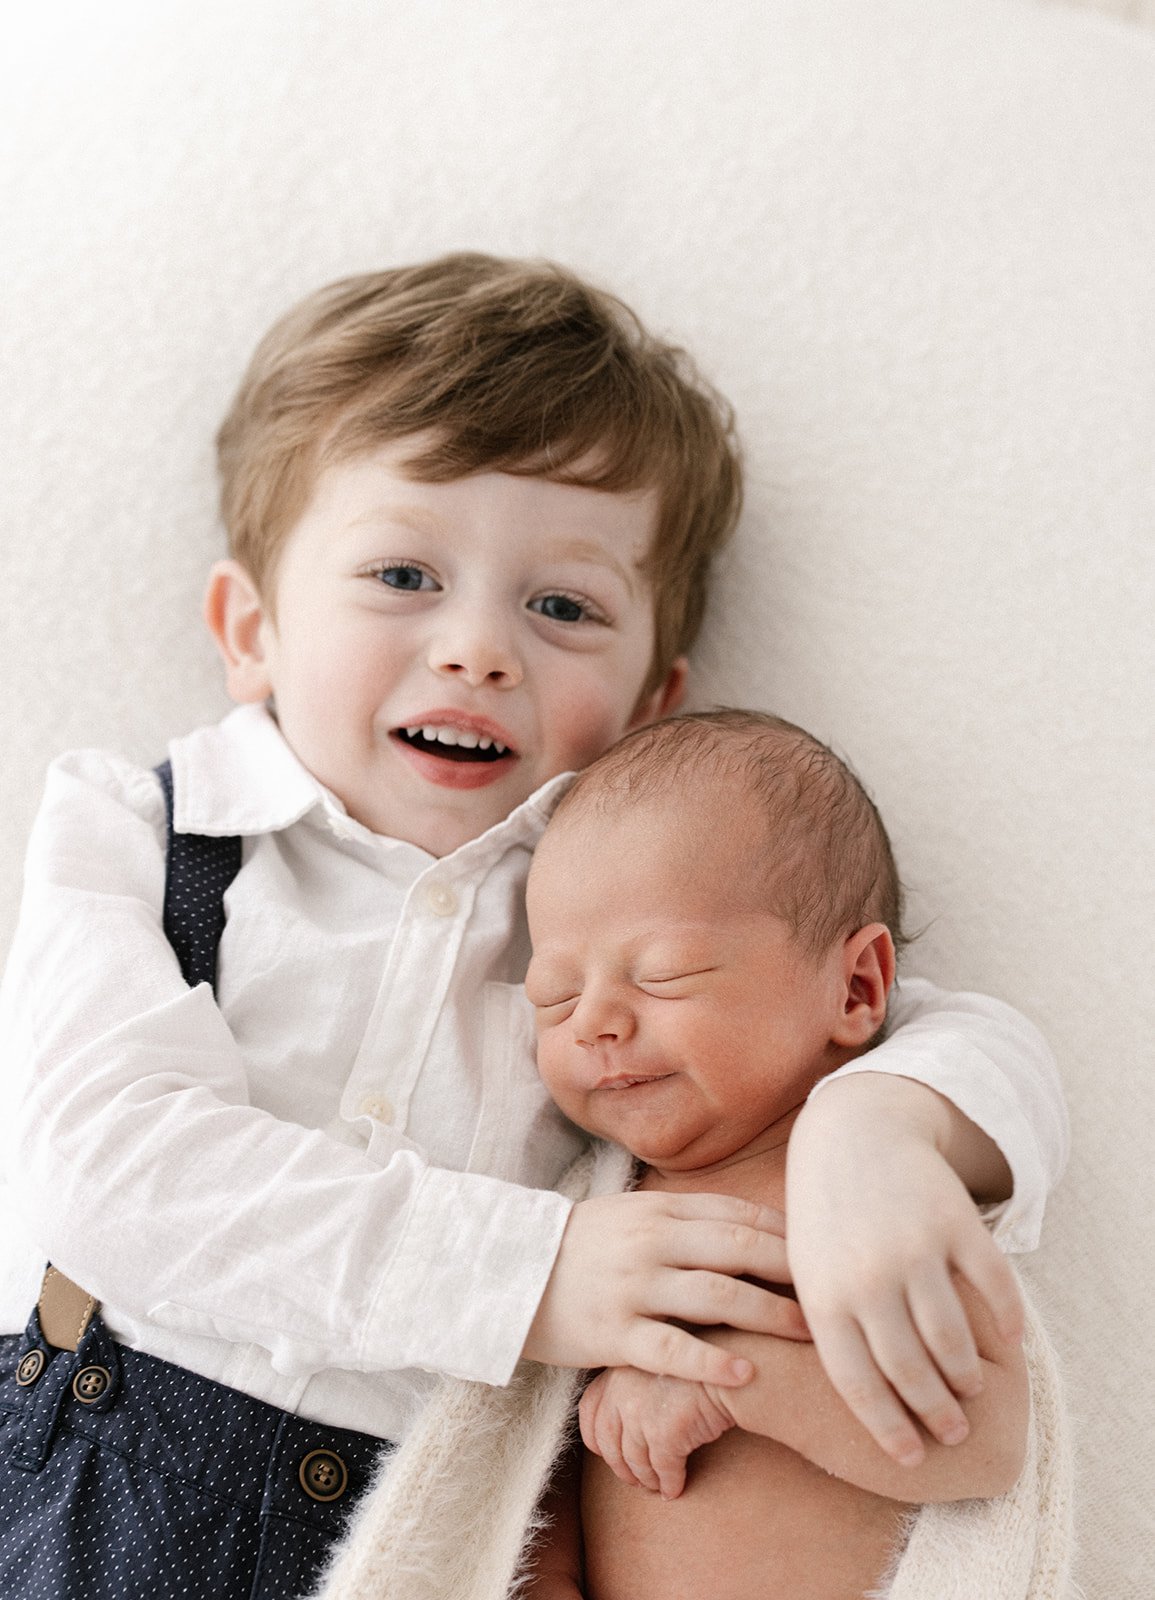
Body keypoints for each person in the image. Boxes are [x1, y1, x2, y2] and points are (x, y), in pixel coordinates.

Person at [0, 255, 1064, 1599]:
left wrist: (887, 1127)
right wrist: (542, 1271)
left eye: (560, 607)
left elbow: (914, 1015)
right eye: (400, 573)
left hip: (420, 1522)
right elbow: (106, 1168)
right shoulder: (139, 825)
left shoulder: (616, 899)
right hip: (96, 1468)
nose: (476, 649)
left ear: (648, 703)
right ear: (251, 630)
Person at [522, 710, 1033, 1600]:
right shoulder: (594, 1228)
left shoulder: (859, 1204)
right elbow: (534, 1459)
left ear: (856, 987)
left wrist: (735, 1386)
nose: (595, 1019)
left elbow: (990, 1440)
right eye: (553, 996)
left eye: (664, 973)